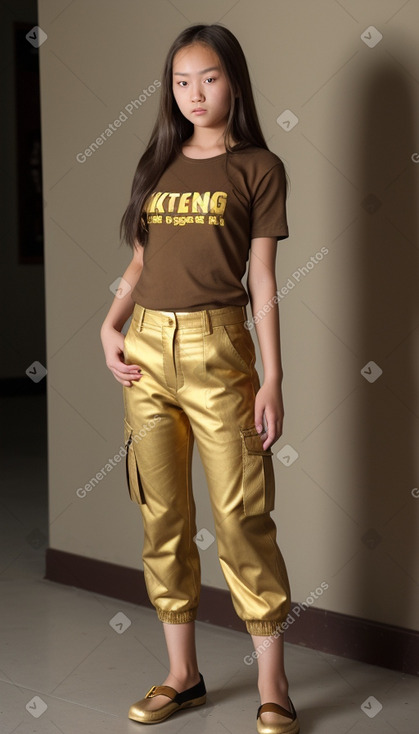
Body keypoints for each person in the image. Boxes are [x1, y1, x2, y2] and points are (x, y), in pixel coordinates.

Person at [100, 23, 300, 734]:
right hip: (146, 349)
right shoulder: (157, 163)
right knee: (163, 518)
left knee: (242, 519)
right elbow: (138, 263)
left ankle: (273, 686)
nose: (193, 93)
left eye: (207, 78)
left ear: (233, 83)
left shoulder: (257, 167)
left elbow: (264, 280)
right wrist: (108, 324)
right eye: (181, 81)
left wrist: (272, 379)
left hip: (221, 354)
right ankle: (182, 676)